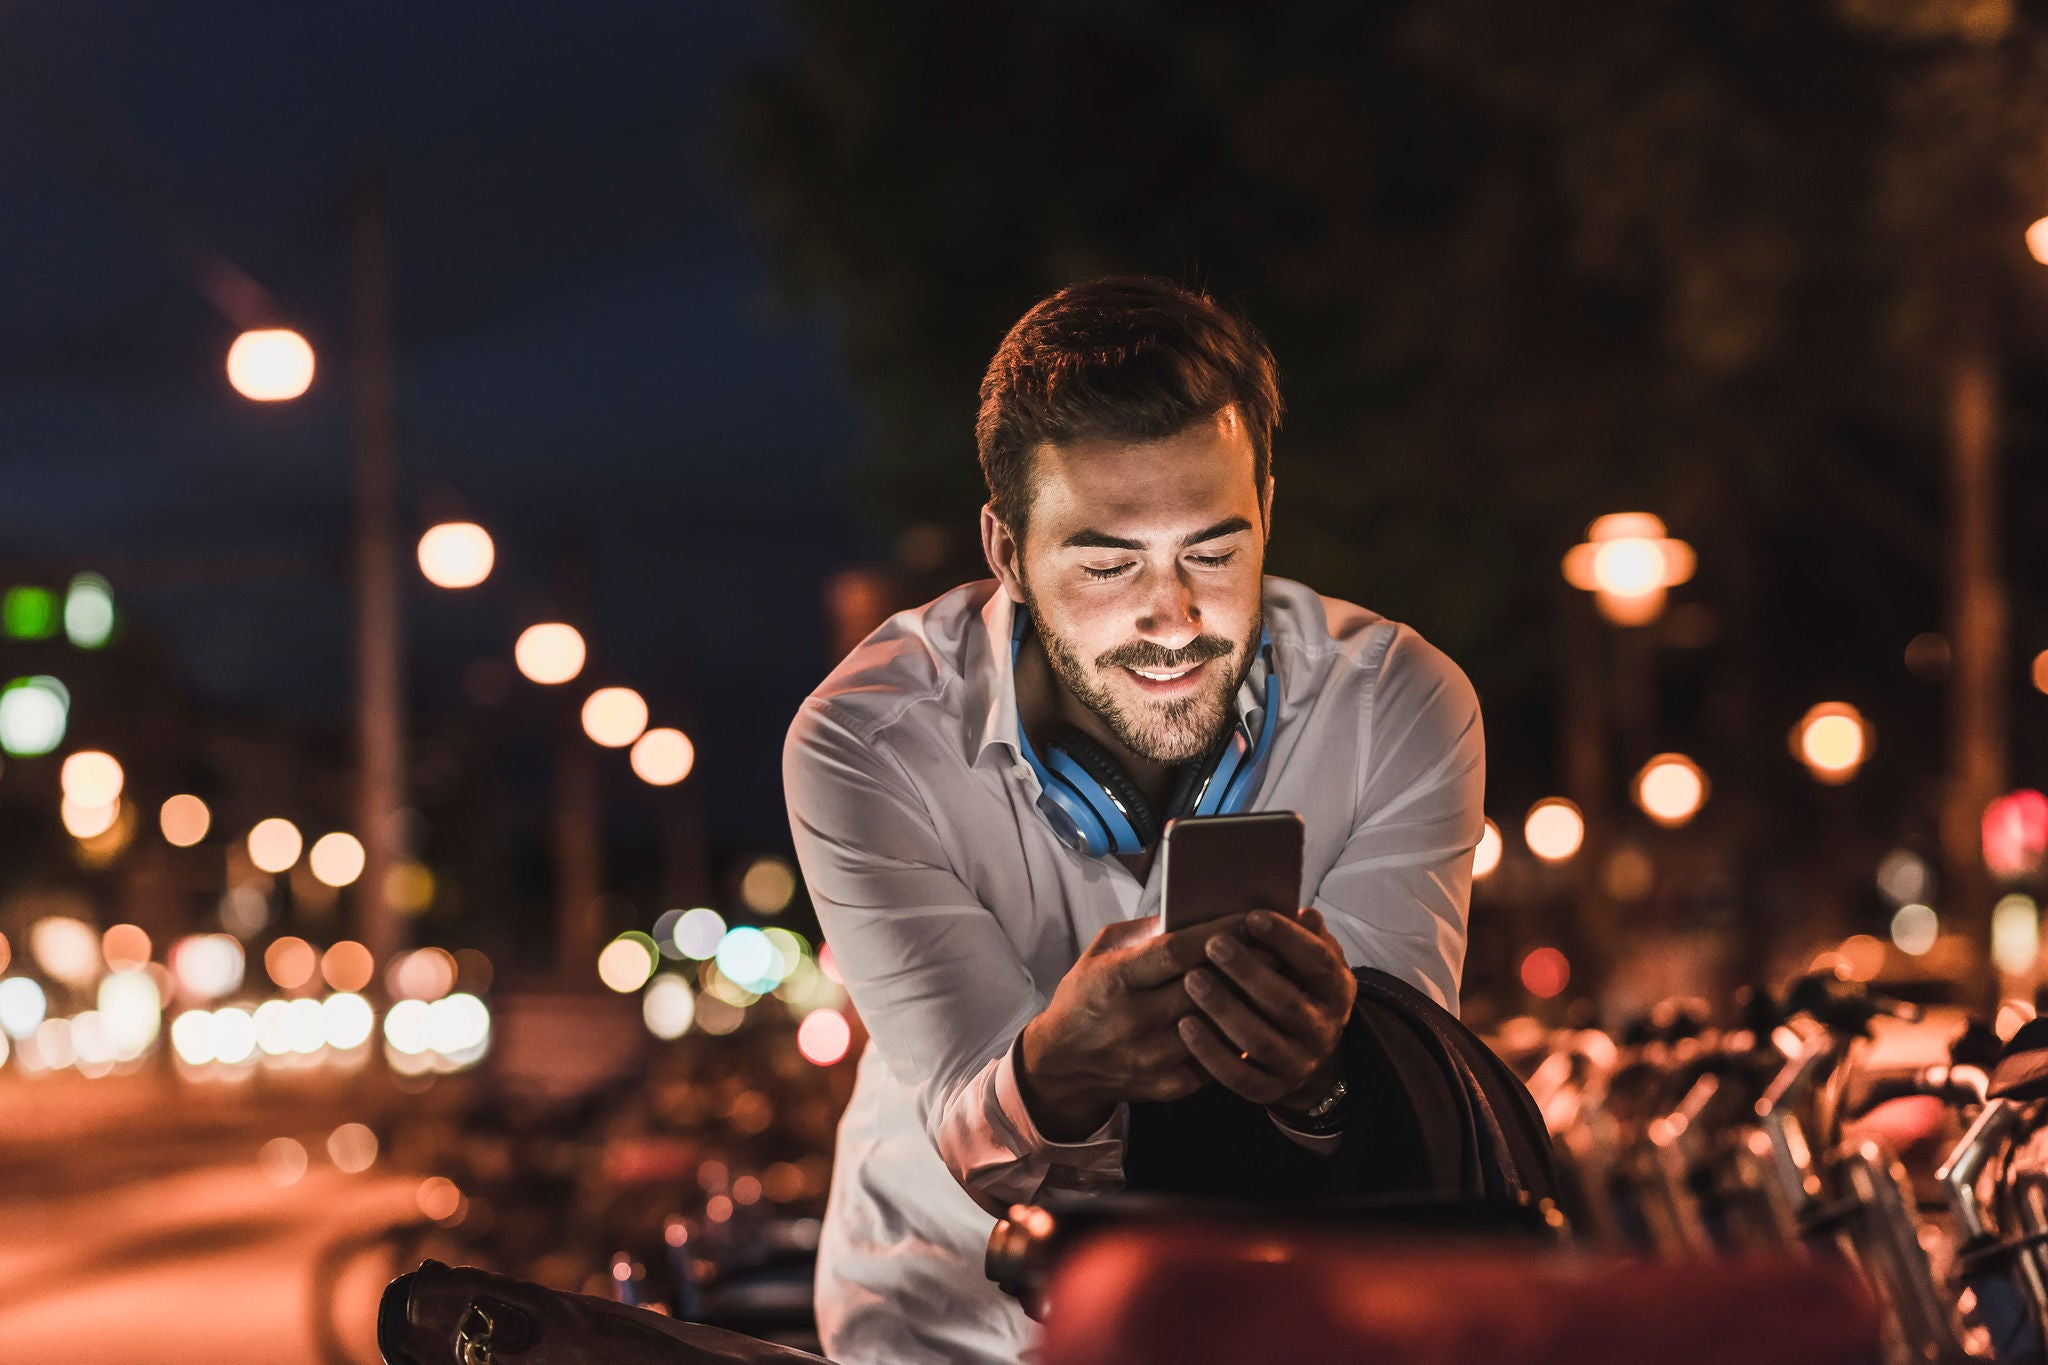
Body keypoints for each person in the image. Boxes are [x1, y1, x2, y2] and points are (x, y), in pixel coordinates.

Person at [782, 276, 1486, 1365]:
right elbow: (969, 1112)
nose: (1174, 617)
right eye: (1107, 563)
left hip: (1265, 1328)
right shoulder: (865, 746)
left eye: (1213, 550)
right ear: (1004, 551)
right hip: (949, 1333)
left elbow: (1401, 1113)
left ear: (1266, 509)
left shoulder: (1397, 706)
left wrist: (1327, 1075)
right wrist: (1061, 1069)